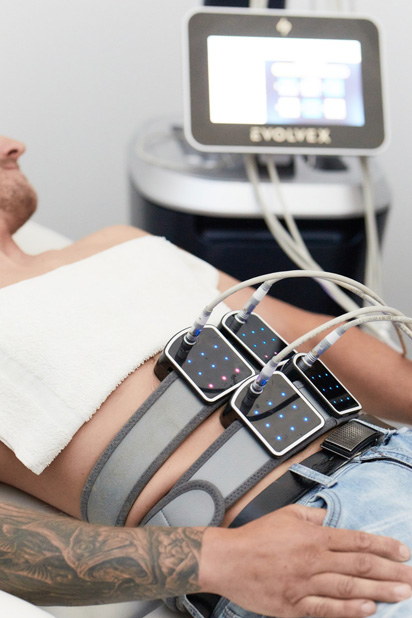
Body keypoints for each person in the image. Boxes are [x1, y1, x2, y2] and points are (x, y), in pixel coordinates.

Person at [0, 133, 412, 618]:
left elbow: (305, 334)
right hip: (321, 535)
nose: (15, 144)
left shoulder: (122, 243)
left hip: (393, 449)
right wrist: (221, 560)